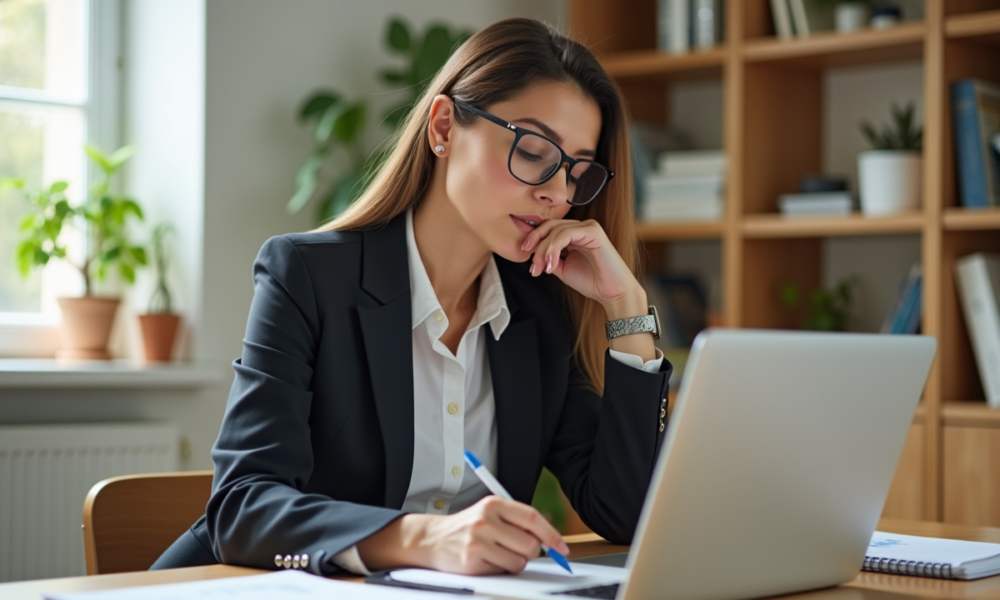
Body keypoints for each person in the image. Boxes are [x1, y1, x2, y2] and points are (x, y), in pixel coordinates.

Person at [151, 17, 671, 577]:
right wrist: (424, 538)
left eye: (576, 171)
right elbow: (241, 509)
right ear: (444, 127)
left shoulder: (539, 314)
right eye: (535, 149)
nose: (554, 192)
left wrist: (625, 307)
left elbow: (625, 515)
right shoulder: (306, 275)